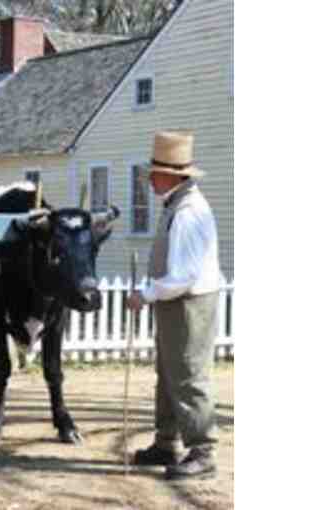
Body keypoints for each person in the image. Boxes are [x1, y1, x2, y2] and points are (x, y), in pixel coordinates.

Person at [127, 131, 222, 481]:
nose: (150, 178)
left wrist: (146, 295)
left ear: (173, 174)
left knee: (188, 375)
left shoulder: (188, 212)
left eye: (154, 171)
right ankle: (167, 442)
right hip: (177, 302)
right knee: (168, 372)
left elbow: (183, 276)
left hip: (188, 303)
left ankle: (203, 451)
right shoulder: (177, 205)